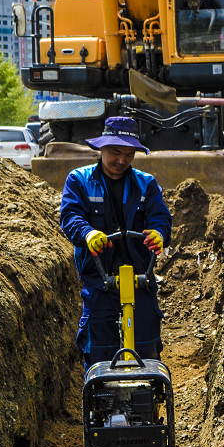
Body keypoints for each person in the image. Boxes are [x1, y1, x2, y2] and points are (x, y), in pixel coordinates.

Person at [59, 117, 171, 367]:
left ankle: (146, 400)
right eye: (116, 152)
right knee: (99, 352)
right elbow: (70, 216)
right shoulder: (79, 180)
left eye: (129, 154)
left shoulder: (146, 183)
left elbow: (161, 218)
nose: (121, 160)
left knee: (146, 349)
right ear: (102, 149)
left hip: (141, 278)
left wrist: (159, 234)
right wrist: (88, 234)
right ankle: (101, 402)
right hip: (99, 281)